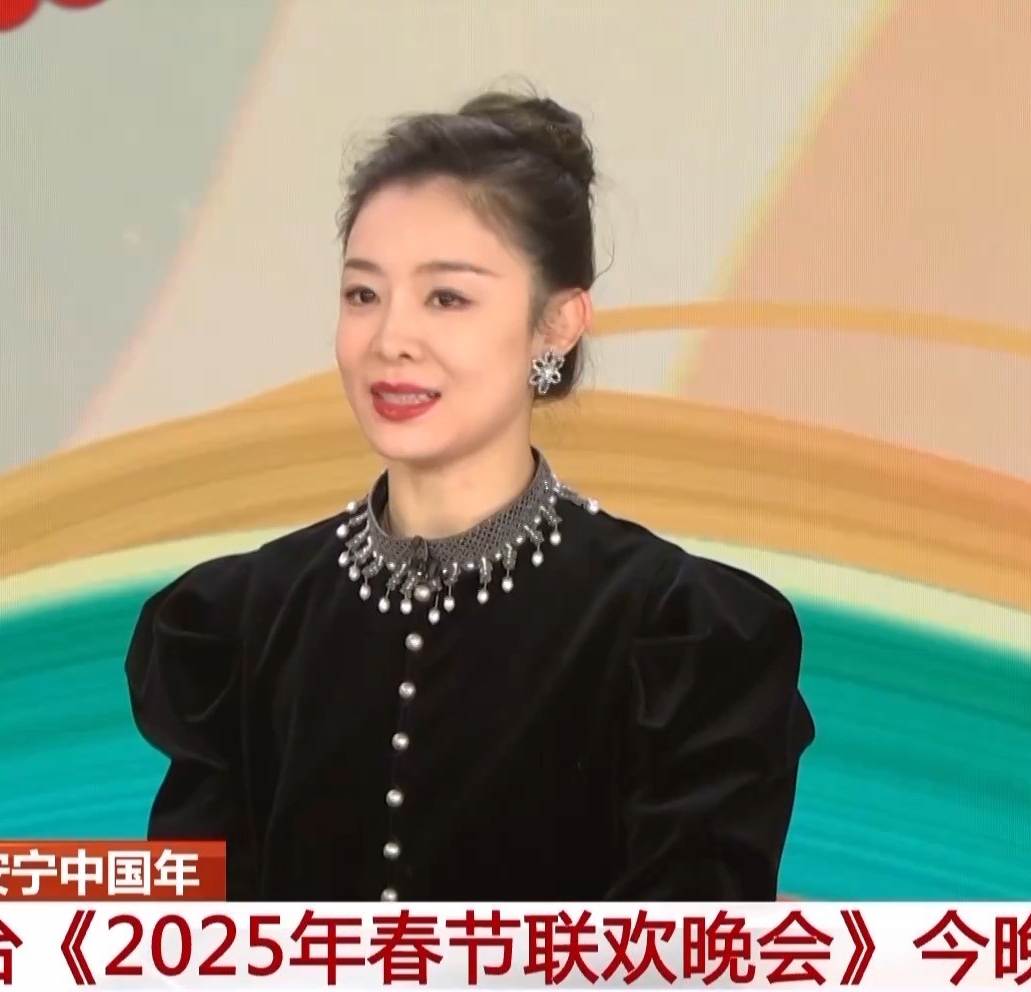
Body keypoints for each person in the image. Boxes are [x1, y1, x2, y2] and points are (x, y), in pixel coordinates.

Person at [125, 88, 814, 901]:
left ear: (558, 323)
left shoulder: (674, 635)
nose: (391, 340)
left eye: (446, 298)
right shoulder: (242, 625)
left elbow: (684, 948)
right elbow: (191, 943)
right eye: (363, 294)